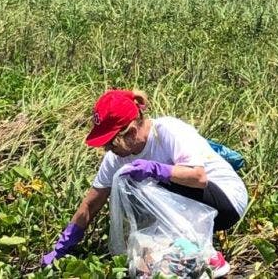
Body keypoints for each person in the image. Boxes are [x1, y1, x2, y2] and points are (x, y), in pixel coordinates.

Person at [41, 89, 247, 277]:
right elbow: (91, 203)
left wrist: (155, 169)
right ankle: (180, 250)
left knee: (139, 183)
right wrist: (64, 245)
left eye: (111, 143)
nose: (107, 150)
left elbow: (199, 178)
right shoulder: (116, 158)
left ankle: (206, 256)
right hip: (187, 211)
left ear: (130, 132)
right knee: (129, 188)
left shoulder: (167, 131)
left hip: (225, 201)